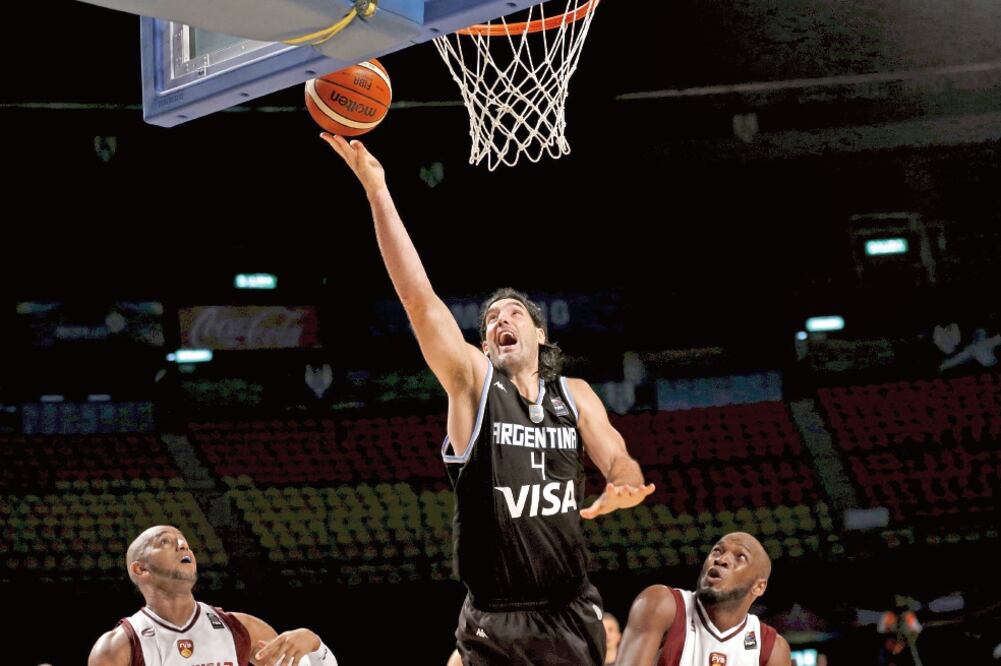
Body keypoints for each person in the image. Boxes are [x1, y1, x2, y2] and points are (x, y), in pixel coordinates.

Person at [322, 133, 655, 665]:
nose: (502, 319)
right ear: (483, 345)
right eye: (492, 319)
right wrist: (377, 190)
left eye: (514, 313)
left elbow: (616, 456)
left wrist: (625, 482)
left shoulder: (576, 394)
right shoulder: (474, 384)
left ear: (540, 335)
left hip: (568, 608)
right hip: (492, 616)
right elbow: (418, 298)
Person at [87, 525, 337, 666]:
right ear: (140, 569)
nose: (183, 545)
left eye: (184, 541)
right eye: (165, 541)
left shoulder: (240, 628)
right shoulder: (118, 647)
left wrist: (314, 644)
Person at [616, 532, 791, 666]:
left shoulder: (772, 648)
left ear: (759, 586)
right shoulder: (661, 604)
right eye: (717, 551)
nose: (721, 560)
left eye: (740, 557)